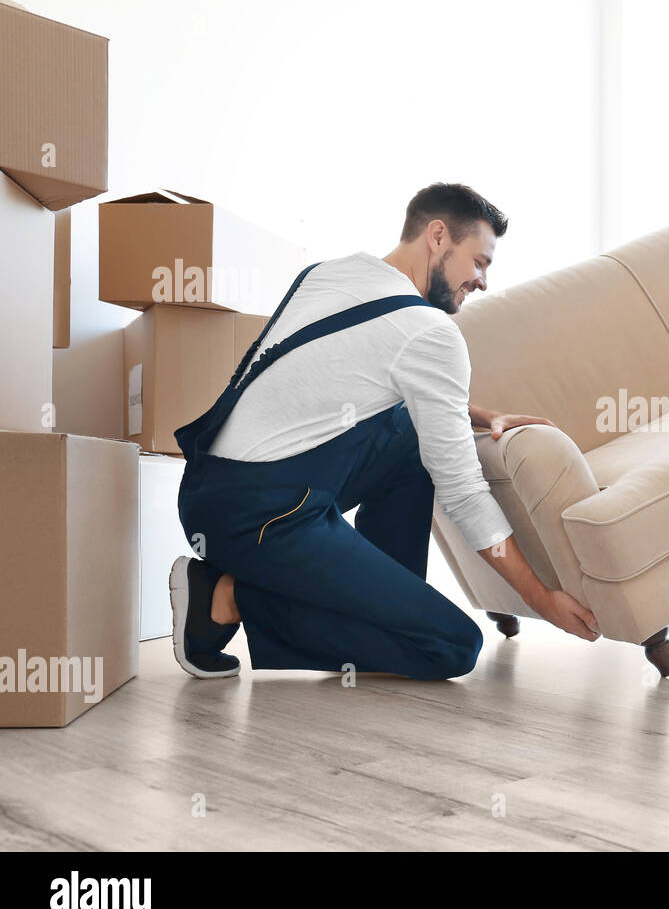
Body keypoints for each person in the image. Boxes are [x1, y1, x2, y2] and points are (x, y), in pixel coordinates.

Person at [169, 183, 599, 680]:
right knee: (452, 646)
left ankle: (387, 602)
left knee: (412, 432)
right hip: (265, 522)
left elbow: (356, 376)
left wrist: (477, 413)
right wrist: (542, 598)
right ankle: (223, 598)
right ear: (438, 236)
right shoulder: (430, 332)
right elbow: (463, 492)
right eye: (479, 262)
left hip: (211, 493)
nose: (482, 281)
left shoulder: (330, 274)